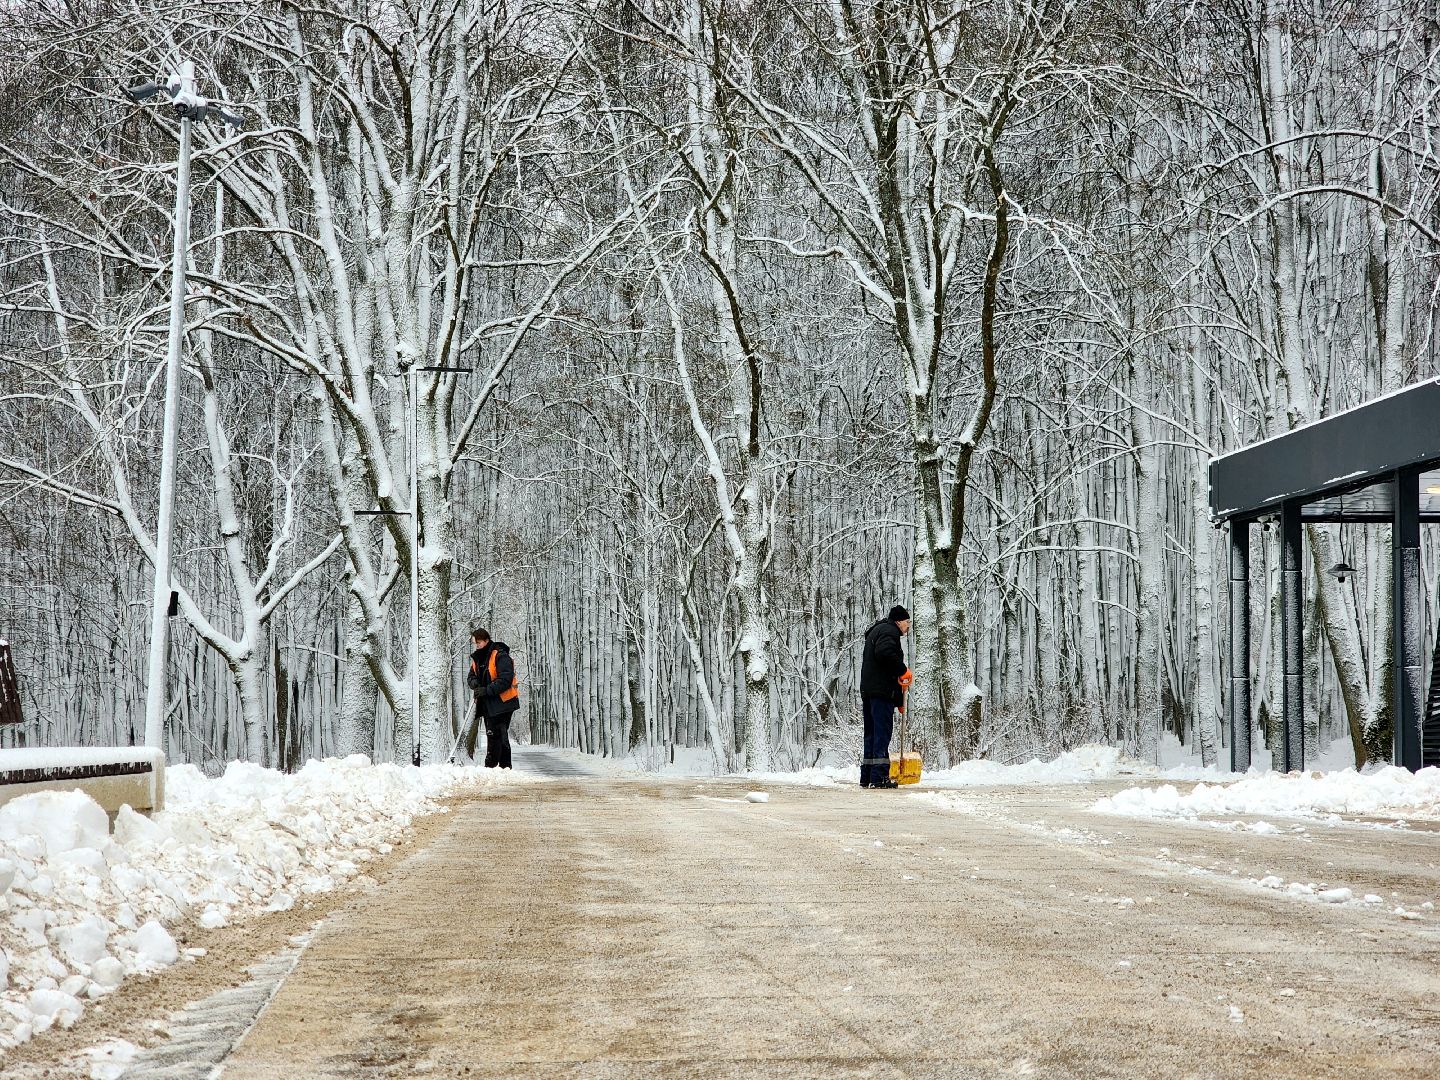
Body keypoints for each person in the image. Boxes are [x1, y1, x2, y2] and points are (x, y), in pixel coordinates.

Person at [859, 605, 913, 788]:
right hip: (881, 693)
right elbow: (885, 654)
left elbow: (882, 665)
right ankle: (880, 777)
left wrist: (898, 701)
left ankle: (867, 776)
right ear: (899, 621)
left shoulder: (878, 631)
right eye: (907, 622)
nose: (908, 626)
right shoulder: (890, 632)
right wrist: (903, 670)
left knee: (872, 733)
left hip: (869, 691)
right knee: (882, 733)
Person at [467, 627, 519, 769]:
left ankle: (495, 766)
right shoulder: (477, 658)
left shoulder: (500, 655)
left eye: (478, 642)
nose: (477, 645)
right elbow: (471, 676)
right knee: (494, 734)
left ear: (486, 640)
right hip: (488, 703)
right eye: (475, 643)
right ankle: (502, 768)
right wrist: (475, 684)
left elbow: (505, 679)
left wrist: (486, 690)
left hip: (504, 702)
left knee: (497, 734)